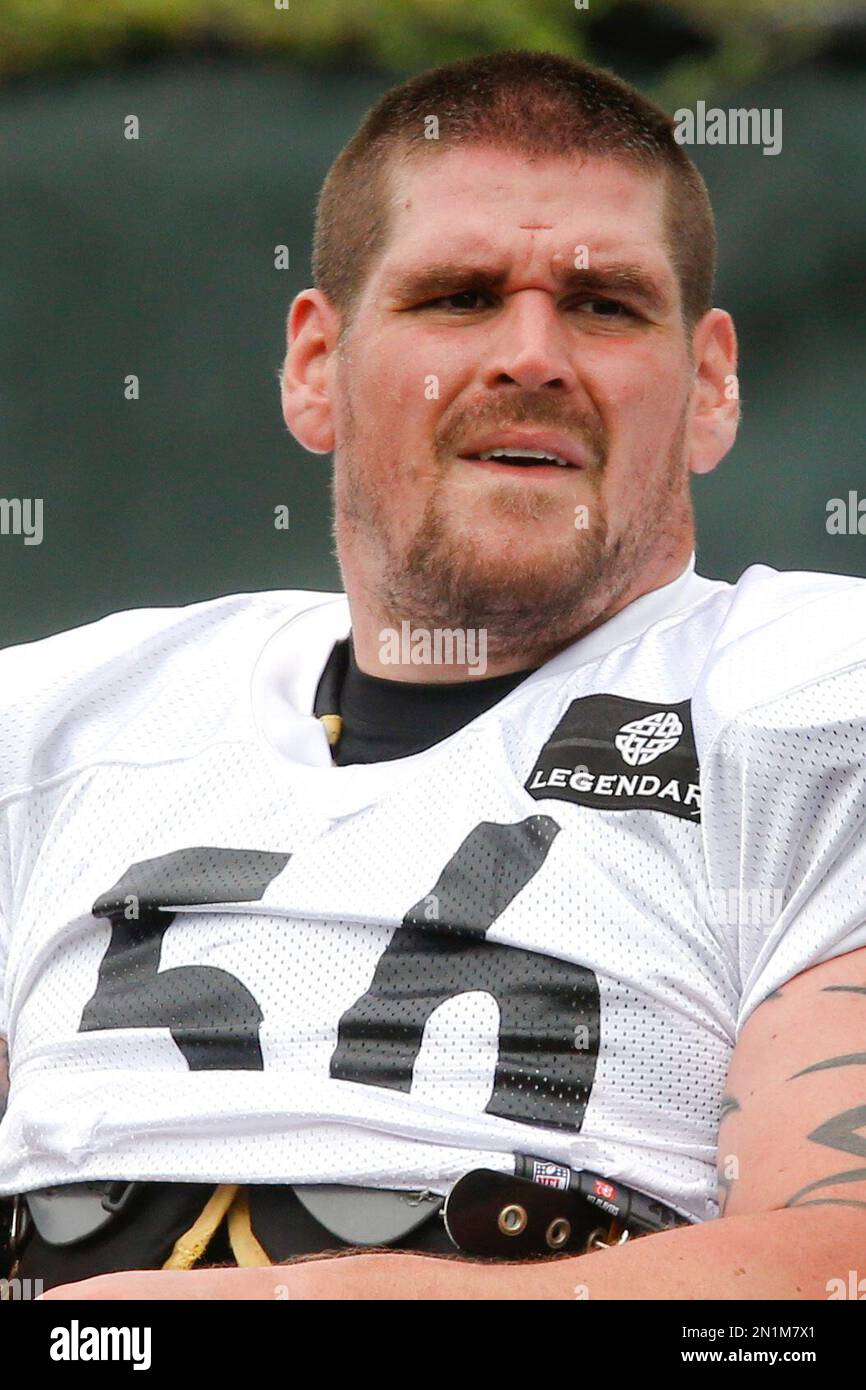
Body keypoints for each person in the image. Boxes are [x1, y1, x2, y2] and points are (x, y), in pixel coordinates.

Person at [2, 49, 865, 1301]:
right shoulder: (56, 728)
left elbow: (833, 1280)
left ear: (711, 387)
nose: (530, 354)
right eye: (458, 296)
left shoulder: (806, 699)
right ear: (315, 368)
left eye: (605, 306)